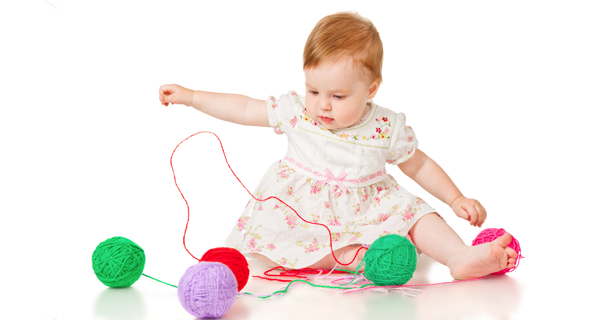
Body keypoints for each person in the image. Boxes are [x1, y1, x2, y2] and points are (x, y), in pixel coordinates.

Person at [158, 11, 517, 280]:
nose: (323, 105)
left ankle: (459, 256)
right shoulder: (297, 112)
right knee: (298, 242)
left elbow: (418, 165)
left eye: (338, 95)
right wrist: (191, 96)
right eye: (314, 90)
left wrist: (455, 198)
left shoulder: (384, 125)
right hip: (305, 207)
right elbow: (245, 107)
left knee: (419, 216)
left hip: (371, 202)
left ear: (371, 89)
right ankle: (357, 258)